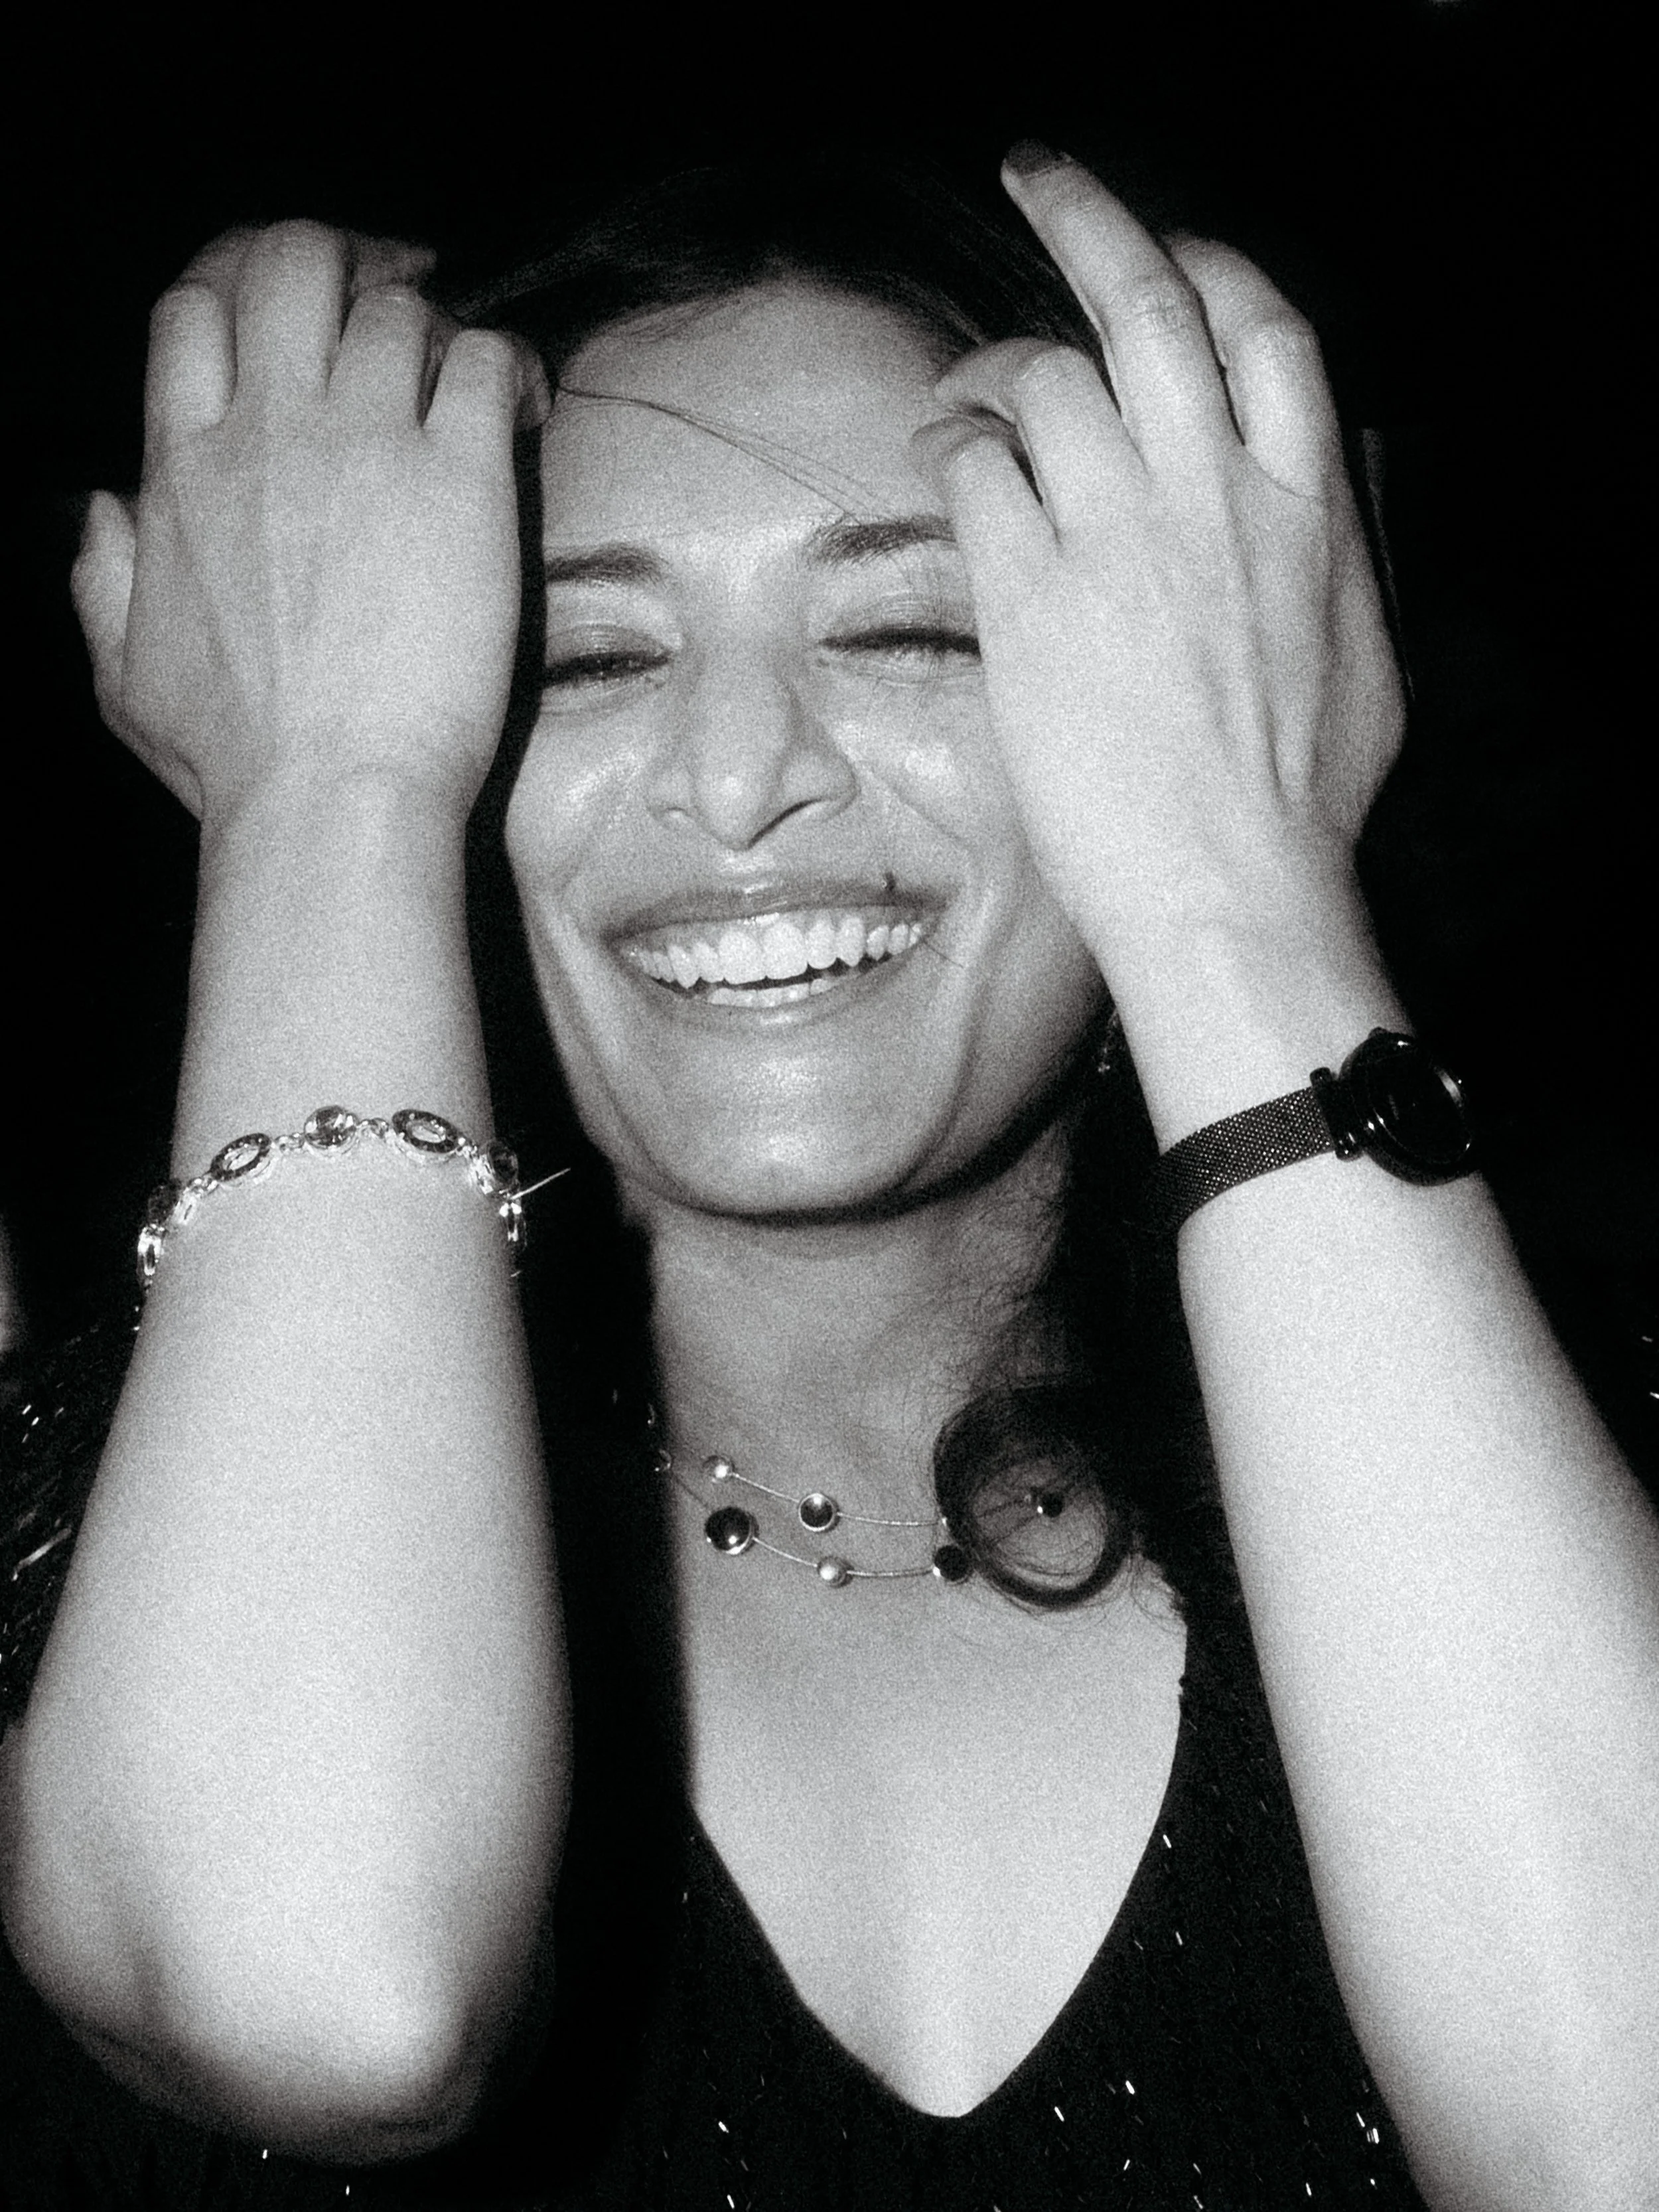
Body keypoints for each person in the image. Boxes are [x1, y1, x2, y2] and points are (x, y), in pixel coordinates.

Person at [2, 144, 1656, 2211]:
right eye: (582, 663)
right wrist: (324, 803)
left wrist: (1247, 898)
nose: (736, 772)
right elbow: (321, 1985)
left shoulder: (1566, 1462)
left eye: (908, 628)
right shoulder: (78, 1526)